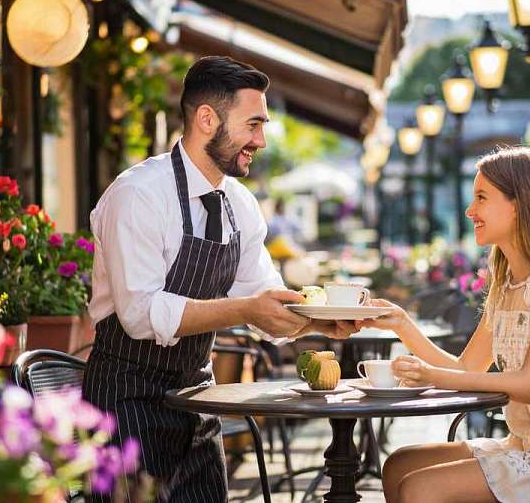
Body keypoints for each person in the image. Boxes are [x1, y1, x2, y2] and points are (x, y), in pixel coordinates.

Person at [82, 56, 357, 502]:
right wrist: (246, 309)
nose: (261, 140)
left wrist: (318, 322)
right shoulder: (138, 195)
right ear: (207, 119)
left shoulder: (240, 205)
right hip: (126, 401)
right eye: (252, 124)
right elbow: (140, 315)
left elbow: (263, 299)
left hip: (197, 398)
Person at [356, 147, 530, 503]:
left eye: (481, 198)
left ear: (519, 205)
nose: (470, 211)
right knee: (398, 464)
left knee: (420, 487)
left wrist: (431, 376)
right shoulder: (507, 286)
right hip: (529, 445)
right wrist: (402, 324)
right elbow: (467, 367)